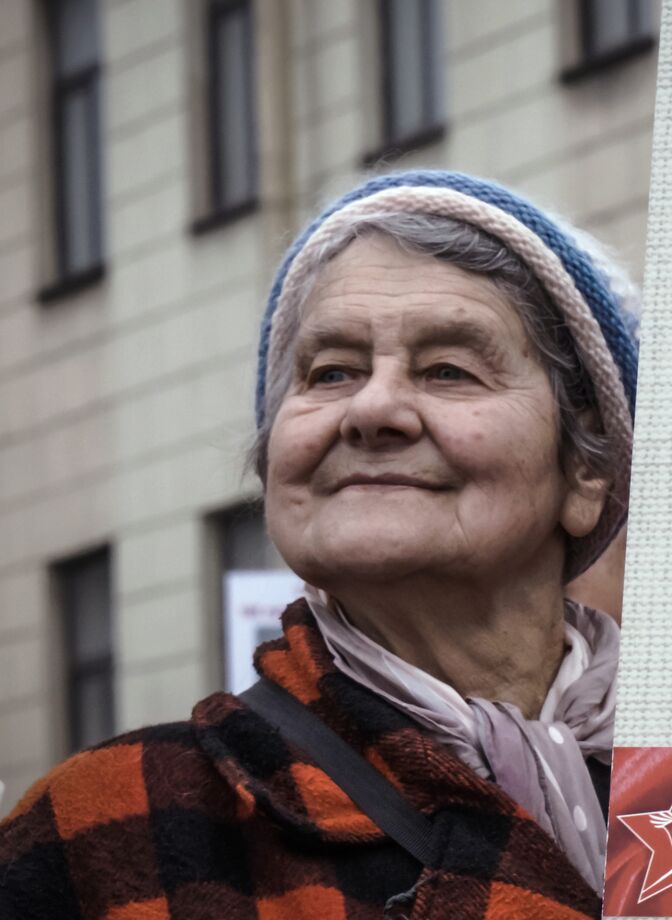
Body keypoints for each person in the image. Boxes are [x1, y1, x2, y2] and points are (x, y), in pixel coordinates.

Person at [0, 171, 639, 919]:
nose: (372, 409)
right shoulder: (108, 830)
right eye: (330, 372)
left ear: (587, 472)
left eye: (447, 370)